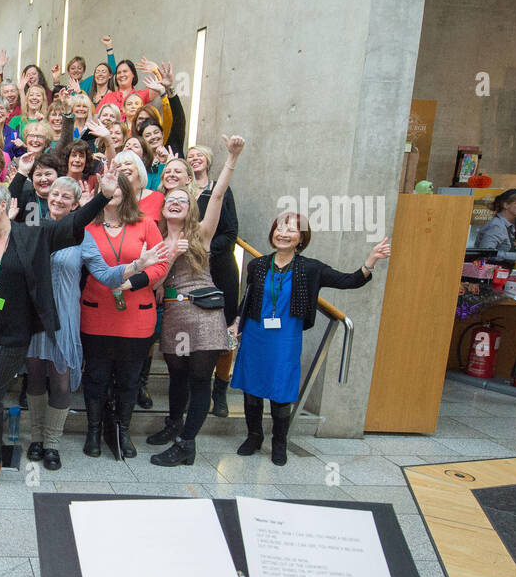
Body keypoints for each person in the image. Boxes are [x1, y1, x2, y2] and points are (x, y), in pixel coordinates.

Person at [0, 164, 165, 491]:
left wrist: (101, 196)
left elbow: (73, 222)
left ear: (3, 206)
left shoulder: (33, 236)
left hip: (13, 338)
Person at [231, 216, 390, 464]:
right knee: (252, 387)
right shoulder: (258, 265)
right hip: (255, 334)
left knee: (281, 389)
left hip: (285, 338)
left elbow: (349, 280)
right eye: (278, 228)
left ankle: (279, 442)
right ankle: (254, 436)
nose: (282, 233)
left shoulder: (310, 268)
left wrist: (370, 261)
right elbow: (249, 297)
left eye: (291, 230)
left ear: (301, 239)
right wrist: (236, 322)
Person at [146, 136, 245, 466]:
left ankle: (186, 444)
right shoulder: (157, 240)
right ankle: (174, 426)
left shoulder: (201, 233)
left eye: (182, 200)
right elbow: (155, 284)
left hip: (203, 312)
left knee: (200, 378)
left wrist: (232, 158)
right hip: (174, 312)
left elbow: (216, 195)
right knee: (177, 377)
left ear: (190, 207)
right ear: (162, 207)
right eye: (169, 199)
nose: (175, 202)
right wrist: (170, 257)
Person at [79, 169, 168, 461]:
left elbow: (161, 263)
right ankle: (93, 431)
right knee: (96, 377)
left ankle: (123, 430)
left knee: (129, 379)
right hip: (96, 313)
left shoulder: (145, 224)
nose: (113, 192)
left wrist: (134, 281)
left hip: (136, 315)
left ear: (127, 192)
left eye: (118, 187)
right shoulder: (87, 226)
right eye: (106, 187)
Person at [24, 176, 90, 470]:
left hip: (63, 317)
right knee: (35, 375)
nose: (59, 199)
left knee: (60, 381)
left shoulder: (82, 235)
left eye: (67, 197)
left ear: (76, 204)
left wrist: (136, 267)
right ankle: (36, 438)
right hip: (34, 316)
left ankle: (52, 442)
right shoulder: (33, 225)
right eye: (55, 194)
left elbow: (104, 271)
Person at [185, 144, 241, 418]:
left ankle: (220, 391)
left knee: (225, 330)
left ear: (208, 161)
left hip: (219, 269)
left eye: (200, 156)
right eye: (190, 156)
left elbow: (230, 232)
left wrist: (205, 250)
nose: (195, 159)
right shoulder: (182, 191)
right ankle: (199, 389)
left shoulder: (220, 188)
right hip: (190, 273)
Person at [474, 189, 516, 261]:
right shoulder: (496, 225)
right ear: (506, 205)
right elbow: (486, 253)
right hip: (491, 271)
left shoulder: (507, 226)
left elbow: (504, 248)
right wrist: (515, 256)